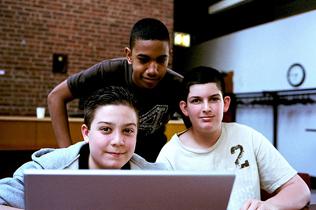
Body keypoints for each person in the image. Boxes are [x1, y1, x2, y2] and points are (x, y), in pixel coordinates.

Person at [156, 66, 311, 210]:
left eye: (213, 99)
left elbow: (300, 189)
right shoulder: (169, 155)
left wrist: (269, 205)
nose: (206, 108)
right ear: (185, 108)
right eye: (196, 101)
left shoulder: (248, 137)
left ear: (226, 103)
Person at [0, 86, 166, 209]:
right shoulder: (50, 168)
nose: (118, 141)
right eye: (106, 129)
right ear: (86, 133)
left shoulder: (156, 177)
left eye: (128, 130)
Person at [47, 17, 183, 162]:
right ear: (129, 56)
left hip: (150, 163)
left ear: (169, 55)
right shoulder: (107, 72)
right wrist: (68, 156)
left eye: (161, 60)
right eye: (143, 60)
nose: (152, 70)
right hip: (106, 161)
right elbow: (56, 96)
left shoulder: (177, 84)